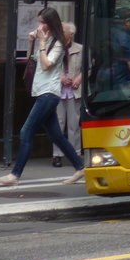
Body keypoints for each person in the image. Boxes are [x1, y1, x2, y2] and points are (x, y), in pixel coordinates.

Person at [0, 7, 85, 186]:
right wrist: (31, 42)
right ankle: (80, 167)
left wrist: (41, 43)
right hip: (42, 91)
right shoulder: (48, 40)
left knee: (26, 131)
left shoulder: (58, 42)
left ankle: (14, 175)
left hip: (49, 94)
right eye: (39, 22)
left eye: (42, 22)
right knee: (56, 135)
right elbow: (32, 60)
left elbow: (46, 65)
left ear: (50, 24)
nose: (39, 25)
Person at [52, 22, 83, 168]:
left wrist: (78, 79)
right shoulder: (55, 47)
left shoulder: (81, 49)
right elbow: (48, 67)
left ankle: (74, 153)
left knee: (73, 124)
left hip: (74, 91)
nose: (61, 32)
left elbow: (88, 67)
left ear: (71, 34)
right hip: (58, 90)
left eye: (64, 31)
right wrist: (60, 77)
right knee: (58, 123)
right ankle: (57, 155)